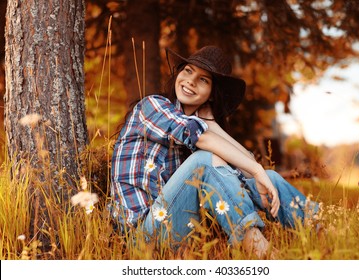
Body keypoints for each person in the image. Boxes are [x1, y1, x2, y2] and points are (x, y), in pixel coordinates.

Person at [110, 45, 319, 258]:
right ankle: (264, 254)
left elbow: (245, 167)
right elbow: (201, 138)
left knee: (269, 178)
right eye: (188, 71)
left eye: (204, 79)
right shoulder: (152, 106)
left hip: (177, 229)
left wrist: (210, 122)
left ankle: (322, 232)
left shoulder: (201, 131)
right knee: (205, 161)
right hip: (142, 238)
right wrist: (256, 169)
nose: (191, 80)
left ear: (211, 94)